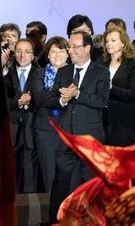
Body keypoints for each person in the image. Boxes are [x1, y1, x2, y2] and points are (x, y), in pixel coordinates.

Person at [47, 31, 110, 223]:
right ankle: (55, 220)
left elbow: (102, 101)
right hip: (66, 135)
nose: (70, 50)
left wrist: (78, 94)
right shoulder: (64, 71)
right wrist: (63, 99)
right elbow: (52, 99)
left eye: (75, 47)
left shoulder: (101, 72)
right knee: (61, 182)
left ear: (87, 48)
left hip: (89, 138)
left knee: (89, 183)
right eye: (70, 46)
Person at [31, 36, 69, 192]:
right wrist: (63, 98)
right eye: (53, 51)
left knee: (69, 175)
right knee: (49, 175)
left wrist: (51, 95)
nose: (57, 55)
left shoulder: (75, 73)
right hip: (45, 129)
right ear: (48, 54)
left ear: (68, 54)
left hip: (69, 129)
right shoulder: (39, 74)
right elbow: (39, 98)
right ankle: (51, 213)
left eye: (61, 51)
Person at [4, 38, 39, 193]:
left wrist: (32, 100)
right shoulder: (6, 73)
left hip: (32, 126)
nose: (22, 55)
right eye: (18, 51)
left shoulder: (41, 73)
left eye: (26, 52)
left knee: (31, 171)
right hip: (12, 127)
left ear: (33, 55)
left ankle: (31, 210)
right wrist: (17, 102)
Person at [102, 27, 135, 146]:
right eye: (107, 41)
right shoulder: (101, 63)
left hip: (124, 123)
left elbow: (132, 94)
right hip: (103, 121)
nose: (109, 44)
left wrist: (111, 87)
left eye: (113, 40)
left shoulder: (132, 64)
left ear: (123, 43)